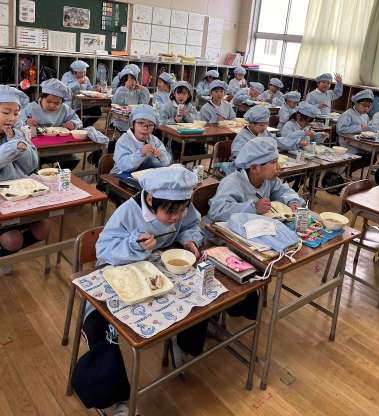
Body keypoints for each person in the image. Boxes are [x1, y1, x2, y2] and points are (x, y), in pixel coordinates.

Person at [75, 165, 257, 414]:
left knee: (200, 295)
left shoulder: (180, 207)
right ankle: (119, 400)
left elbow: (190, 224)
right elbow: (104, 251)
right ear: (150, 199)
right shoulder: (128, 212)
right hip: (119, 275)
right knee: (104, 329)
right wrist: (134, 245)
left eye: (182, 209)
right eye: (171, 212)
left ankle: (184, 344)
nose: (177, 217)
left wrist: (190, 239)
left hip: (160, 272)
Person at [0, 86, 48, 273]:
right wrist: (13, 146)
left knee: (43, 229)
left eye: (16, 113)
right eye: (6, 113)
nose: (12, 118)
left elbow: (31, 166)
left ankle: (7, 251)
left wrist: (19, 143)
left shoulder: (17, 132)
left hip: (18, 193)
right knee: (12, 240)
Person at [208, 137, 304, 222]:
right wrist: (253, 208)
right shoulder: (232, 182)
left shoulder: (267, 179)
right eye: (273, 162)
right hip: (225, 233)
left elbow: (282, 190)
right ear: (254, 168)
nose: (278, 167)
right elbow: (217, 211)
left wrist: (292, 201)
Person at [20, 78, 82, 170]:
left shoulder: (65, 109)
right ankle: (42, 170)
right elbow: (17, 121)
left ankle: (55, 173)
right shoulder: (31, 108)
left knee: (74, 159)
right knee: (33, 161)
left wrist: (73, 123)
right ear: (41, 98)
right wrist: (26, 121)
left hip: (57, 146)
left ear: (62, 102)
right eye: (49, 101)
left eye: (57, 103)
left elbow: (78, 121)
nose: (52, 105)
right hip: (37, 147)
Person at [336, 89, 379, 184]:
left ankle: (348, 172)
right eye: (364, 106)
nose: (366, 109)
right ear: (356, 103)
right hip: (347, 143)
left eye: (369, 107)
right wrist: (359, 128)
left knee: (372, 158)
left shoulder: (365, 116)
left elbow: (367, 128)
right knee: (361, 158)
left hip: (360, 143)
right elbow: (340, 129)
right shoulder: (348, 114)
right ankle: (344, 173)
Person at [111, 105, 171, 175]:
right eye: (140, 123)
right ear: (133, 124)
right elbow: (123, 166)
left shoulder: (154, 141)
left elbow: (167, 162)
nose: (145, 128)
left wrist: (160, 155)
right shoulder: (124, 141)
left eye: (150, 125)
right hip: (120, 176)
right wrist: (140, 153)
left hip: (144, 176)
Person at [61, 60, 100, 127]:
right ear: (74, 72)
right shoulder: (66, 76)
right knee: (73, 119)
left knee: (97, 111)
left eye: (84, 72)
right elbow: (64, 89)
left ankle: (85, 126)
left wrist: (94, 88)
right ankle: (76, 125)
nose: (83, 74)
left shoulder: (86, 78)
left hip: (82, 103)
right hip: (70, 104)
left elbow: (88, 89)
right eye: (81, 73)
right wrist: (77, 82)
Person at [112, 65, 150, 132]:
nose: (133, 81)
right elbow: (116, 104)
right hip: (122, 120)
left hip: (136, 119)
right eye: (130, 79)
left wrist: (143, 90)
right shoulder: (121, 90)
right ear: (125, 80)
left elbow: (144, 103)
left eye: (134, 79)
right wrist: (126, 88)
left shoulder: (137, 90)